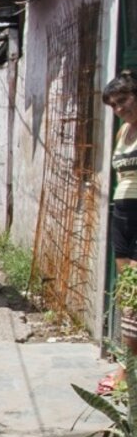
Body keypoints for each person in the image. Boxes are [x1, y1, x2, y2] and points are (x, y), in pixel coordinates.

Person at [99, 70, 137, 393]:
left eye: (123, 100)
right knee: (128, 295)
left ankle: (127, 369)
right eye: (113, 104)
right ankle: (128, 364)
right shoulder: (122, 133)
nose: (119, 109)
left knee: (136, 293)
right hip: (122, 213)